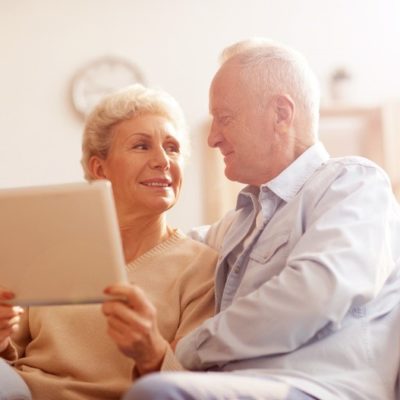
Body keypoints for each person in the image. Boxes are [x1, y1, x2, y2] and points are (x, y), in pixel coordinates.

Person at [120, 38, 400, 400]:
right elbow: (168, 248)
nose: (212, 138)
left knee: (157, 392)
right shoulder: (240, 221)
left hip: (320, 390)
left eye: (224, 119)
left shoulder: (353, 184)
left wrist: (188, 347)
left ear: (281, 114)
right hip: (238, 387)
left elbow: (315, 293)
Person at [0, 84, 218, 400]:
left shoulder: (203, 268)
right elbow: (11, 358)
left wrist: (151, 353)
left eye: (172, 147)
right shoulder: (51, 256)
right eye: (141, 146)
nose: (162, 160)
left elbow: (194, 388)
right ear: (99, 169)